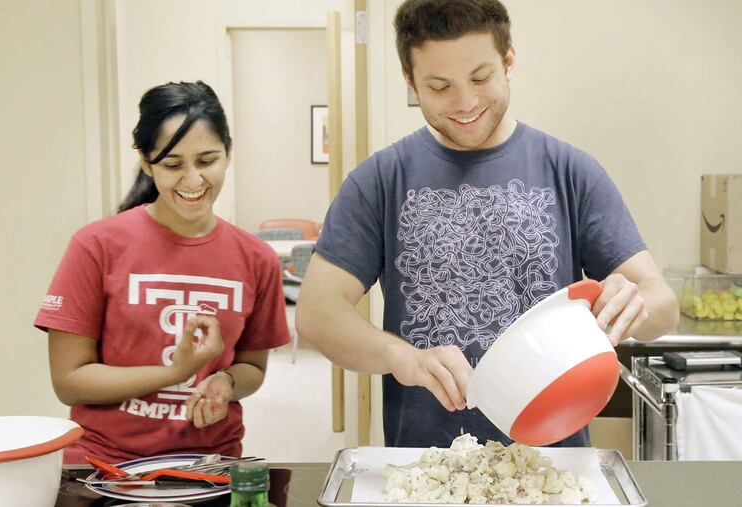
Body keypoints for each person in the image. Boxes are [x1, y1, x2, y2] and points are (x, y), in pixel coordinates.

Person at [296, 0, 679, 448]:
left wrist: (632, 307)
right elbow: (317, 314)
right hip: (427, 470)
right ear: (410, 82)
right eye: (439, 87)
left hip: (551, 466)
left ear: (508, 61)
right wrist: (400, 357)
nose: (465, 103)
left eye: (480, 78)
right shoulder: (379, 181)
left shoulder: (570, 171)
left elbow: (662, 306)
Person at [35, 81, 290, 463]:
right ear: (145, 161)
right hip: (106, 465)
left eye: (207, 161)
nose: (193, 180)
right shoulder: (96, 246)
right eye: (173, 165)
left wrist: (225, 382)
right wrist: (175, 373)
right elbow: (69, 382)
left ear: (228, 153)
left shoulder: (257, 258)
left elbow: (251, 366)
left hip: (209, 465)